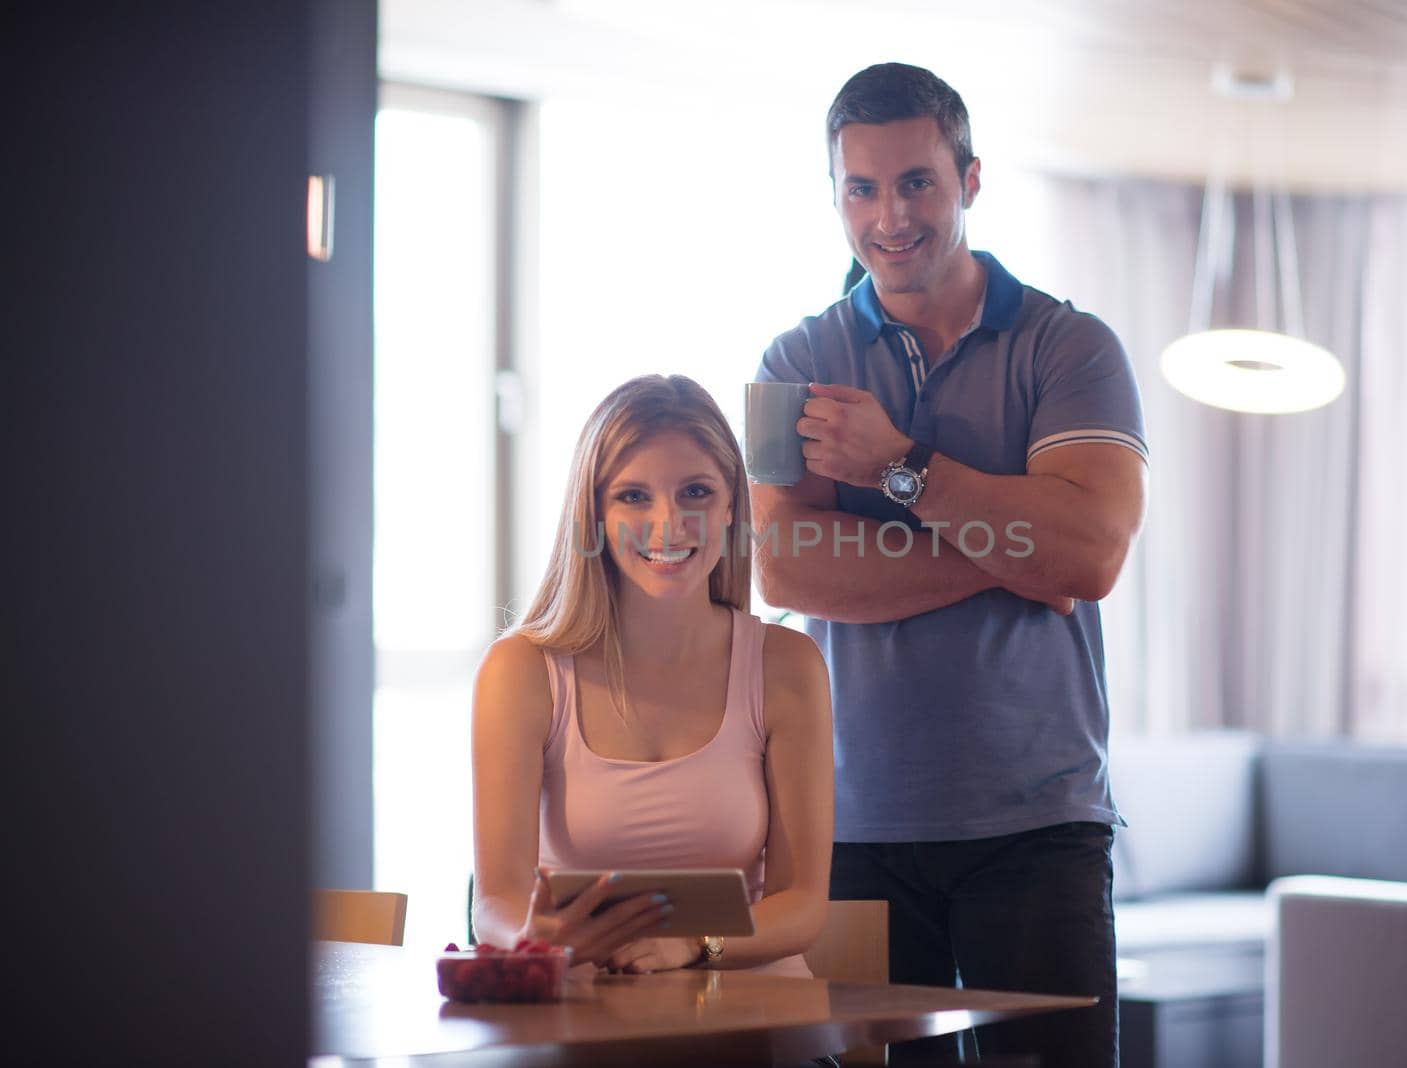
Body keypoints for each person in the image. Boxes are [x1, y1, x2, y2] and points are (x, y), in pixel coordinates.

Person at [752, 63, 1148, 1065]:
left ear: (969, 179)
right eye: (861, 188)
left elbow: (1091, 552)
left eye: (916, 182)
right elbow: (782, 570)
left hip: (1040, 826)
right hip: (847, 831)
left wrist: (895, 466)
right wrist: (1011, 549)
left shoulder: (1075, 350)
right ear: (836, 195)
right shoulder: (783, 366)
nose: (889, 216)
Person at [471, 374, 833, 978]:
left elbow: (802, 906)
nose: (668, 524)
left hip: (755, 1020)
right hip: (585, 1023)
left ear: (731, 507)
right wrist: (535, 940)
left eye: (695, 491)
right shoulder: (522, 671)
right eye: (633, 497)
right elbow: (494, 905)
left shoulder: (787, 665)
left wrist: (696, 943)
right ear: (593, 515)